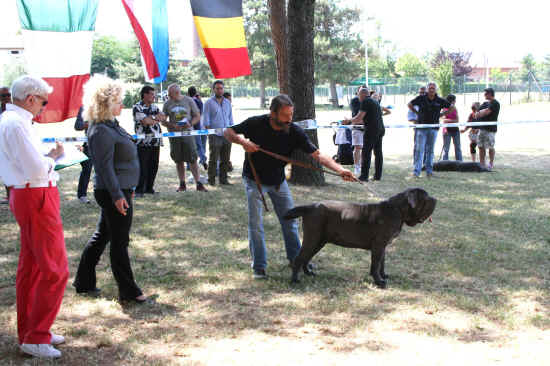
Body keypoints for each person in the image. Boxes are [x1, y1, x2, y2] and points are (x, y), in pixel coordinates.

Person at [223, 94, 355, 279]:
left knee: (290, 221)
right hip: (255, 181)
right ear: (273, 113)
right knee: (256, 225)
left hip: (278, 182)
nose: (289, 119)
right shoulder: (256, 123)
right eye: (285, 115)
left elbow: (318, 155)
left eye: (291, 114)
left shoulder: (294, 131)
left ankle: (296, 260)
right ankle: (259, 267)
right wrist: (243, 141)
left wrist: (340, 170)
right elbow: (228, 131)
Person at [0, 76, 68, 359]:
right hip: (35, 193)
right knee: (54, 268)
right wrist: (53, 158)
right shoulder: (16, 124)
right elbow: (37, 169)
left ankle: (32, 330)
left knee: (33, 268)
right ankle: (36, 335)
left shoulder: (13, 122)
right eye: (43, 101)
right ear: (30, 98)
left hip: (29, 193)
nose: (43, 107)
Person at [73, 75, 149, 305]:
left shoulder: (111, 125)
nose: (122, 105)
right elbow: (104, 168)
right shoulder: (100, 130)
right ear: (105, 103)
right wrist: (118, 196)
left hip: (121, 188)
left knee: (102, 236)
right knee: (119, 241)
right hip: (112, 191)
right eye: (118, 101)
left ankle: (83, 282)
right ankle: (129, 290)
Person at [162, 84, 207, 192]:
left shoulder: (189, 100)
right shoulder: (167, 103)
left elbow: (197, 116)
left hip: (188, 134)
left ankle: (198, 183)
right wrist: (171, 125)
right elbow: (163, 120)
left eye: (170, 94)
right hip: (174, 136)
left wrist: (190, 123)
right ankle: (182, 184)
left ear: (176, 93)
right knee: (178, 159)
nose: (168, 96)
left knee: (192, 159)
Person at [408, 82, 452, 177]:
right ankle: (416, 172)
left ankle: (429, 171)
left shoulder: (440, 100)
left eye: (433, 88)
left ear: (436, 90)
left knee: (430, 150)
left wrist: (442, 114)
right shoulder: (421, 98)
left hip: (433, 128)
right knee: (420, 150)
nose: (431, 90)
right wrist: (417, 112)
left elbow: (452, 107)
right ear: (427, 89)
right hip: (422, 128)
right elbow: (409, 104)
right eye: (430, 88)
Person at [345, 87, 385, 181]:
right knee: (378, 153)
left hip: (371, 130)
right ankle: (378, 175)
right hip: (380, 129)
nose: (358, 97)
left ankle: (364, 176)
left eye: (358, 95)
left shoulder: (365, 102)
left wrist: (348, 120)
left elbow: (359, 118)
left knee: (366, 153)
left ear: (362, 94)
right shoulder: (374, 101)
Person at [133, 85, 166, 197]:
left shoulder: (154, 106)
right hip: (143, 142)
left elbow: (163, 117)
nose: (154, 96)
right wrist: (154, 118)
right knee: (142, 166)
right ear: (145, 94)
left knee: (154, 165)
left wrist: (152, 119)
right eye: (152, 94)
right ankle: (139, 190)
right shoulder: (137, 107)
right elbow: (145, 121)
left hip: (155, 140)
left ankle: (149, 188)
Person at [202, 80, 234, 185]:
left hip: (227, 134)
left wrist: (232, 131)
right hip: (214, 135)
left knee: (225, 159)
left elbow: (230, 118)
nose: (219, 90)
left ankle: (223, 179)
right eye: (217, 88)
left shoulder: (227, 102)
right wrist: (209, 132)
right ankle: (211, 180)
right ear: (213, 89)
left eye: (221, 88)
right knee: (213, 159)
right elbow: (205, 119)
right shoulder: (208, 103)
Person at [474, 88, 500, 170]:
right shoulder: (485, 103)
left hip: (490, 129)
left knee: (490, 147)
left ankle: (491, 163)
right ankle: (482, 164)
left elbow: (487, 112)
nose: (484, 95)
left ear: (490, 94)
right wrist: (480, 112)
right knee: (480, 146)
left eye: (485, 94)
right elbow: (476, 114)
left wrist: (481, 112)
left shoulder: (495, 103)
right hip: (482, 129)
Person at [74, 106, 93, 203]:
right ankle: (82, 195)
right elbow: (77, 126)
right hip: (89, 144)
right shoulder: (84, 108)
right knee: (87, 168)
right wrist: (87, 124)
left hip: (104, 143)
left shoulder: (106, 106)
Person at [349, 86, 368, 176]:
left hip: (368, 128)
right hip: (357, 127)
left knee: (366, 148)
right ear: (358, 93)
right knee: (358, 147)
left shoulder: (369, 101)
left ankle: (364, 166)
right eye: (361, 92)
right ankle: (357, 167)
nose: (364, 95)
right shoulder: (355, 101)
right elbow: (357, 116)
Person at [187, 86, 207, 170]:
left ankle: (189, 165)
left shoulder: (187, 101)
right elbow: (201, 112)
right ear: (196, 93)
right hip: (198, 126)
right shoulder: (199, 102)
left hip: (189, 126)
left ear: (188, 93)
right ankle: (202, 159)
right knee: (199, 145)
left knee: (190, 146)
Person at [441, 94, 462, 161]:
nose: (455, 101)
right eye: (454, 100)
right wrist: (453, 121)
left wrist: (449, 121)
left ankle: (459, 162)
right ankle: (444, 163)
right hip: (447, 130)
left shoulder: (455, 108)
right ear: (451, 101)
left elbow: (457, 120)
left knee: (458, 147)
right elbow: (443, 120)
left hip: (455, 130)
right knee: (446, 148)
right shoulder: (444, 109)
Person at [408, 87, 426, 165]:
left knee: (427, 147)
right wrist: (417, 121)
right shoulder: (414, 103)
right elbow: (410, 117)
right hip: (417, 128)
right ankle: (416, 163)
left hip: (428, 128)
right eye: (420, 92)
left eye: (423, 93)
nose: (422, 94)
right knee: (417, 146)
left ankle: (425, 163)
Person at [1, 86, 13, 204]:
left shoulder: (16, 110)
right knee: (4, 171)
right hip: (2, 147)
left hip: (14, 146)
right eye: (3, 95)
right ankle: (9, 196)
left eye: (8, 95)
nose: (6, 98)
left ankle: (13, 196)